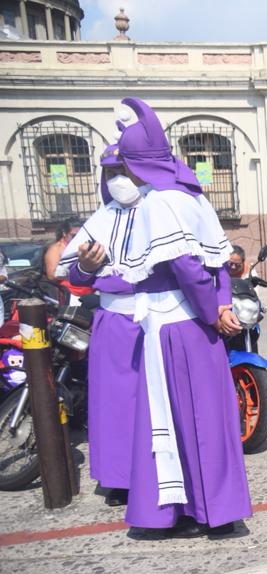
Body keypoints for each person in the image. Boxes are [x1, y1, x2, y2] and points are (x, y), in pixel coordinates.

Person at [85, 96, 251, 538]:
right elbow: (218, 263)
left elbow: (186, 267)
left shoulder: (160, 202)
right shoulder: (192, 194)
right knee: (209, 418)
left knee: (172, 417)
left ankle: (180, 512)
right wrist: (220, 306)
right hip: (196, 322)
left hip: (173, 323)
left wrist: (210, 311)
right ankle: (216, 510)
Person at [56, 140, 144, 507]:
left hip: (152, 318)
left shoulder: (159, 209)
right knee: (114, 403)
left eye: (123, 170)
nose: (118, 179)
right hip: (112, 318)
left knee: (153, 401)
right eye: (110, 173)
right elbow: (72, 271)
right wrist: (87, 266)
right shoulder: (101, 218)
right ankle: (119, 477)